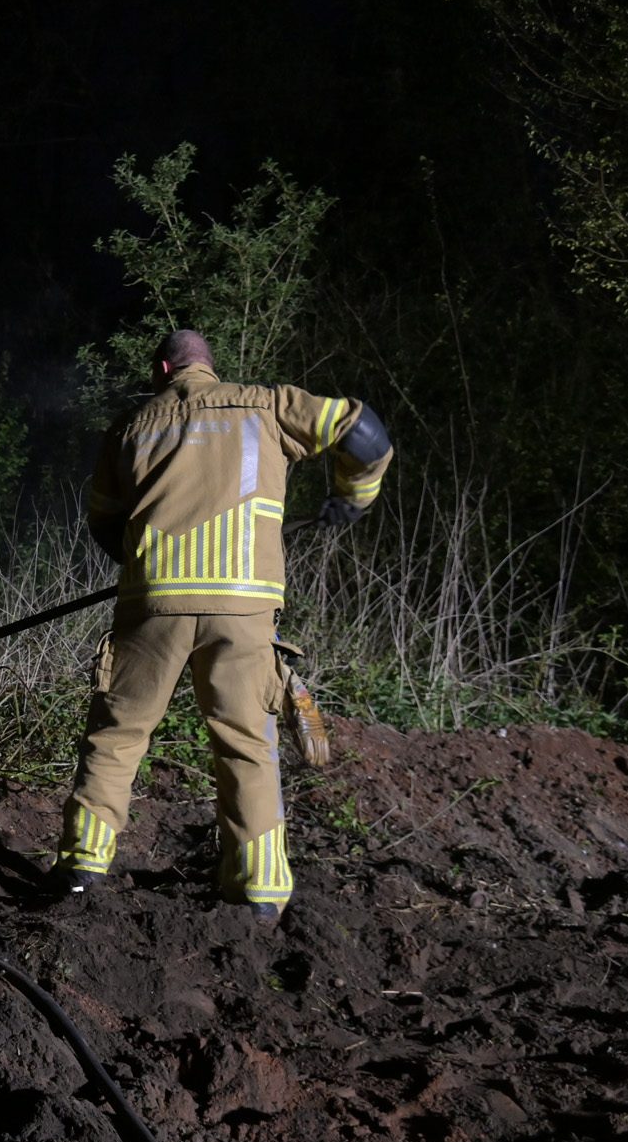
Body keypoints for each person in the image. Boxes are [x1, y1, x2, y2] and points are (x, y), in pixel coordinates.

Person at [54, 329, 393, 924]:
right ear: (211, 366)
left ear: (163, 368)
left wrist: (145, 566)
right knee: (247, 745)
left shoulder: (130, 428)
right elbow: (365, 435)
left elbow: (105, 523)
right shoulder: (267, 406)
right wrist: (351, 498)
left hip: (152, 605)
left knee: (118, 736)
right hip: (244, 609)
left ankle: (82, 870)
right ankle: (261, 894)